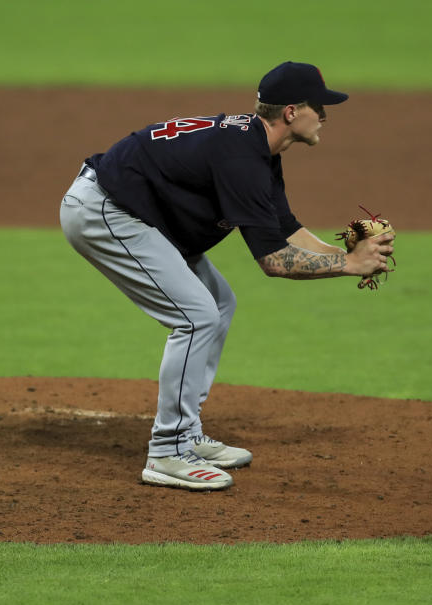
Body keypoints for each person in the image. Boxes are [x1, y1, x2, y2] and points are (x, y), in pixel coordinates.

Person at [60, 61, 393, 491]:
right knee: (196, 314)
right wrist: (349, 265)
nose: (326, 116)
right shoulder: (242, 155)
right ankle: (167, 451)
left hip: (137, 214)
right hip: (105, 211)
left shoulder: (258, 149)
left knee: (217, 304)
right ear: (291, 112)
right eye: (319, 107)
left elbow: (286, 230)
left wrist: (345, 255)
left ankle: (187, 432)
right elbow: (274, 261)